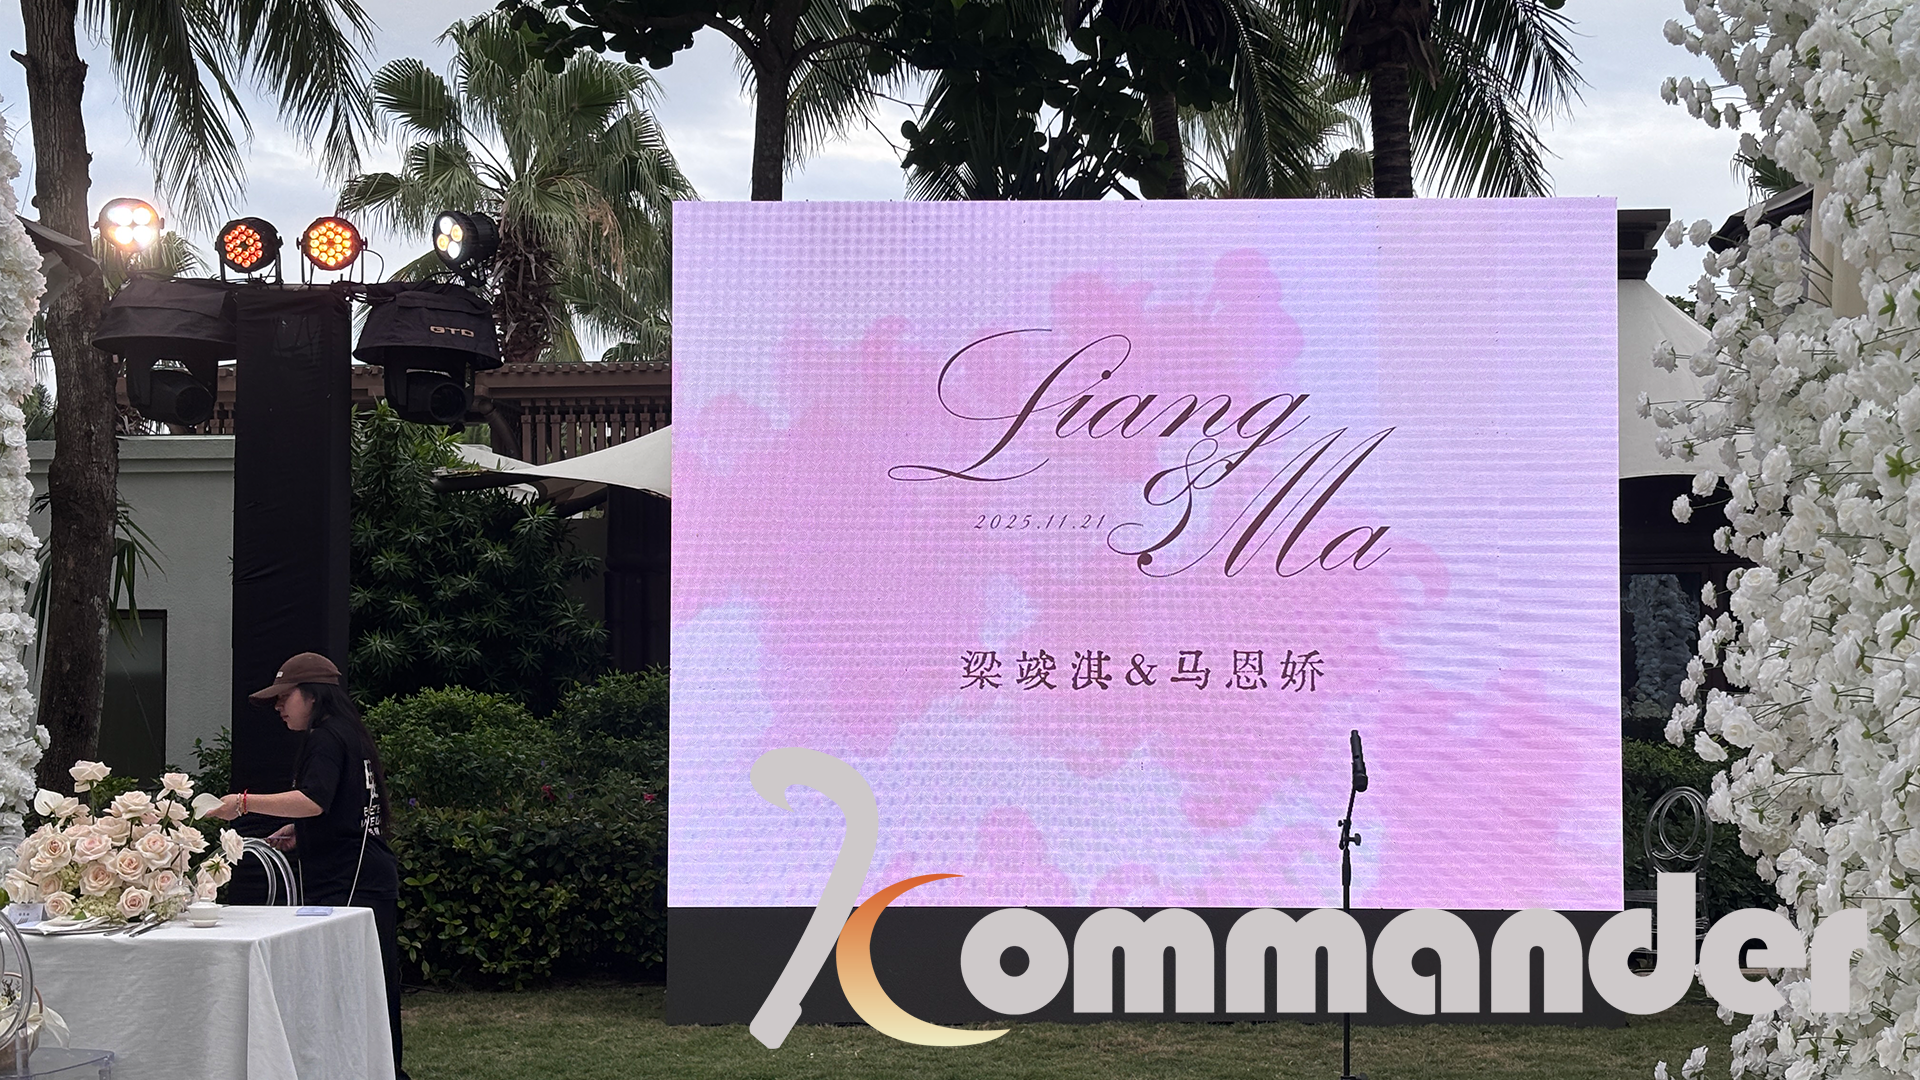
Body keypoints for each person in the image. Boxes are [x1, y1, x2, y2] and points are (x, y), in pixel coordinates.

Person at [206, 652, 409, 1080]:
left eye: (285, 697)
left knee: (350, 991)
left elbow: (314, 800)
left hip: (349, 882)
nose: (279, 707)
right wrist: (302, 831)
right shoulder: (350, 734)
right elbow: (344, 806)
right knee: (374, 989)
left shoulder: (325, 738)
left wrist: (242, 803)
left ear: (313, 695)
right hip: (367, 875)